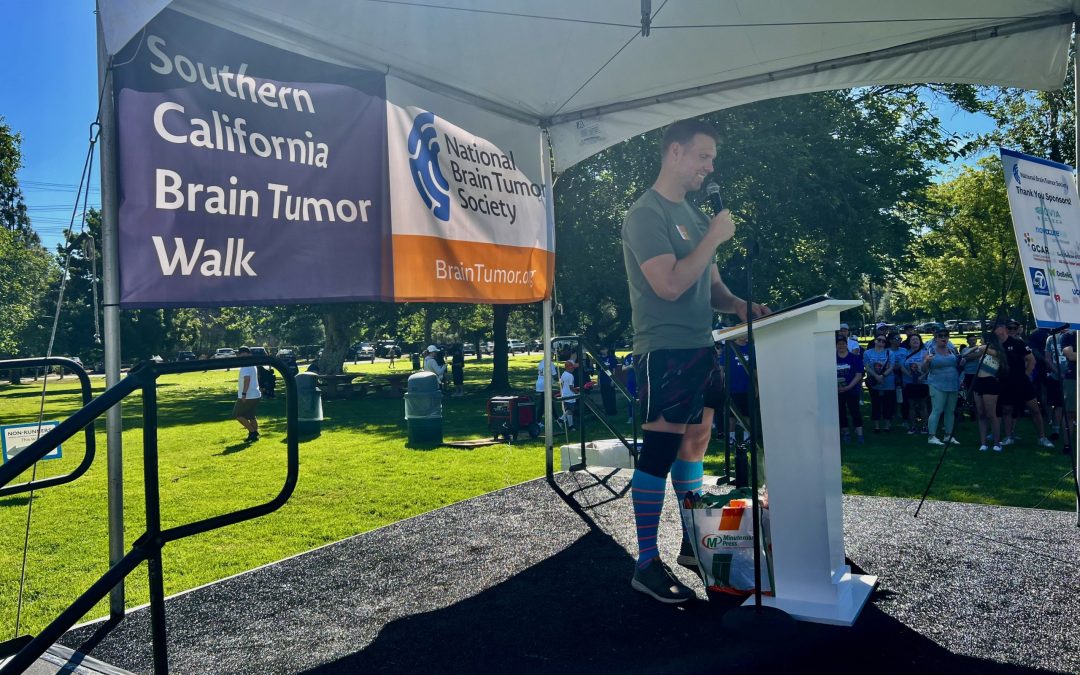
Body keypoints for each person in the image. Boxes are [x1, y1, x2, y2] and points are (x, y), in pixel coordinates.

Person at [621, 118, 767, 604]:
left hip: (703, 347)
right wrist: (714, 238)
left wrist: (740, 305)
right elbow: (669, 284)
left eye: (712, 159)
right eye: (703, 157)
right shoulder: (646, 214)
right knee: (659, 452)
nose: (710, 168)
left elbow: (713, 290)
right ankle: (646, 563)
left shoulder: (700, 218)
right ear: (675, 152)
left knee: (696, 444)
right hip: (665, 350)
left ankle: (692, 543)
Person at [997, 319, 1054, 448]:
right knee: (1007, 409)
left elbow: (1031, 360)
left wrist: (1025, 375)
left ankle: (1042, 437)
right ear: (1005, 329)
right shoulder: (999, 344)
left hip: (1022, 382)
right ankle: (1008, 436)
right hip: (1006, 381)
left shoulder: (1019, 343)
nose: (1012, 330)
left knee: (1034, 409)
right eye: (1009, 328)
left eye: (1014, 328)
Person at [971, 324, 1006, 451]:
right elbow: (967, 354)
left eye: (982, 339)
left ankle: (996, 444)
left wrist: (979, 346)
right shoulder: (982, 350)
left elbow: (984, 348)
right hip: (978, 382)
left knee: (991, 414)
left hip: (990, 382)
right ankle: (983, 443)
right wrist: (976, 348)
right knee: (981, 414)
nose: (980, 341)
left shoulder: (997, 352)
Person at [924, 329, 961, 445]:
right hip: (936, 383)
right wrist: (926, 361)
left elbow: (958, 364)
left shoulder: (952, 350)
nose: (944, 338)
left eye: (946, 335)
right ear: (936, 338)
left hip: (953, 384)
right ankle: (931, 437)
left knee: (950, 410)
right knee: (937, 410)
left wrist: (962, 362)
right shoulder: (931, 351)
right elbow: (923, 369)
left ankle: (948, 435)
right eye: (941, 336)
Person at [863, 334, 895, 432]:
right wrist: (876, 376)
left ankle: (887, 425)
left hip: (888, 381)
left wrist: (882, 376)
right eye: (879, 340)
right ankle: (876, 425)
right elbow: (867, 366)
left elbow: (891, 366)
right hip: (874, 381)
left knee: (888, 404)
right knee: (875, 403)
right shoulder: (867, 353)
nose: (881, 342)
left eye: (883, 341)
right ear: (875, 340)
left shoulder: (890, 352)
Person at [836, 334, 865, 443]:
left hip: (852, 389)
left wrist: (848, 387)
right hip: (838, 391)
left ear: (846, 344)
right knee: (841, 412)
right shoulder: (831, 358)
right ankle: (846, 433)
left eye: (843, 344)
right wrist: (837, 388)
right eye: (839, 344)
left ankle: (860, 434)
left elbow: (858, 375)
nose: (841, 346)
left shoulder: (854, 357)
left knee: (855, 411)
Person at [901, 334, 930, 434]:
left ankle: (925, 426)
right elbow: (901, 366)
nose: (915, 341)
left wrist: (922, 376)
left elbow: (929, 367)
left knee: (923, 405)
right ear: (909, 342)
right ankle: (913, 426)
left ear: (920, 341)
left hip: (922, 383)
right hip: (909, 383)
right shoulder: (905, 353)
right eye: (912, 339)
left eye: (917, 339)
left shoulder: (925, 353)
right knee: (911, 405)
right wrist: (909, 374)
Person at [234, 346, 262, 443]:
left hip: (249, 395)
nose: (241, 356)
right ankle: (253, 435)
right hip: (255, 394)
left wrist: (244, 394)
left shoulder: (245, 365)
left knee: (237, 414)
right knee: (251, 416)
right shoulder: (252, 364)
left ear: (248, 354)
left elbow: (247, 379)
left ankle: (253, 432)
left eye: (243, 354)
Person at [597, 345, 619, 415]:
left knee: (611, 396)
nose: (603, 351)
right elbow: (598, 370)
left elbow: (614, 370)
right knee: (604, 396)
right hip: (602, 380)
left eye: (604, 349)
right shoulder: (599, 359)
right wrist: (598, 380)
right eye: (601, 350)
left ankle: (613, 411)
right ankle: (607, 411)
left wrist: (613, 380)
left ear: (607, 349)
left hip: (610, 379)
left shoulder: (611, 358)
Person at [557, 360, 579, 429]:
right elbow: (571, 387)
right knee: (570, 410)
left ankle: (571, 426)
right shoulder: (571, 376)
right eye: (572, 368)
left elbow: (561, 383)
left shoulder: (563, 374)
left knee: (569, 411)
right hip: (570, 395)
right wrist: (577, 392)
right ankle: (560, 419)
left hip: (564, 394)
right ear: (569, 368)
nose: (573, 369)